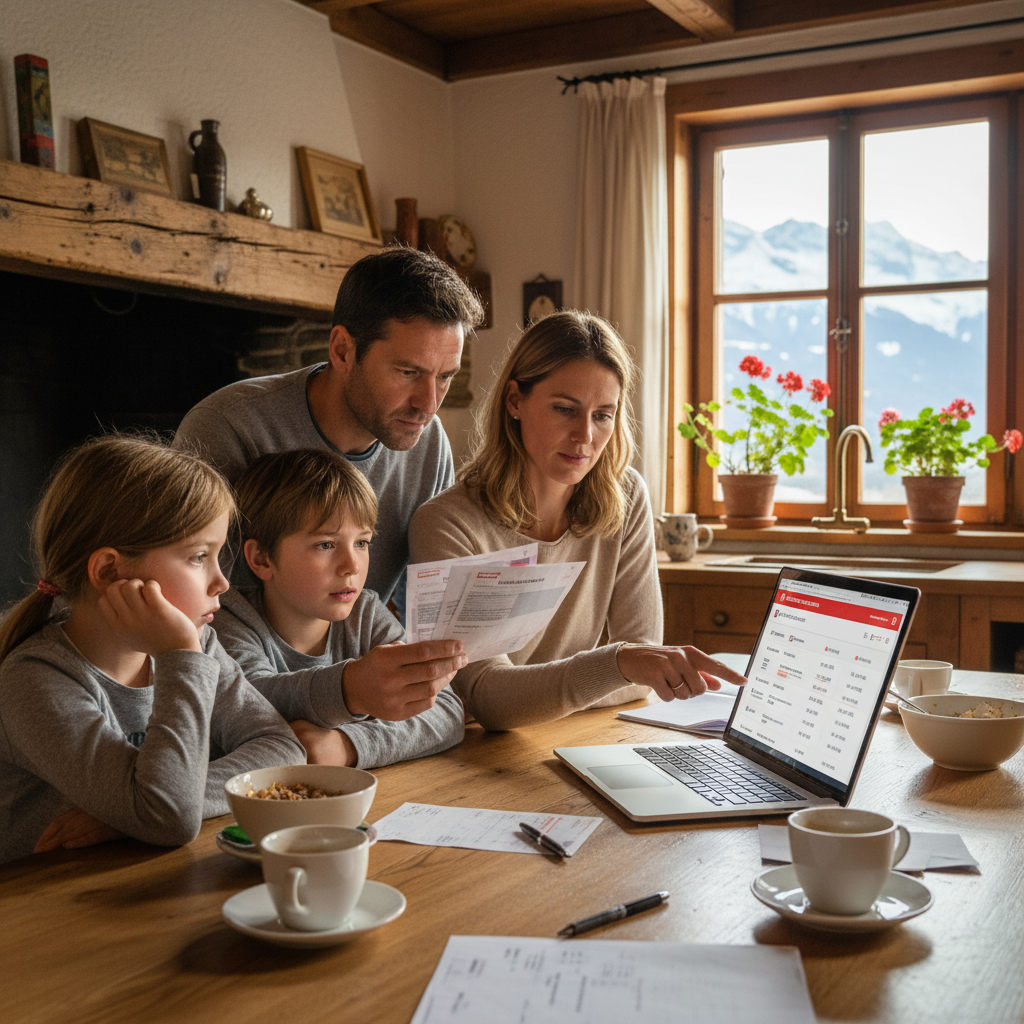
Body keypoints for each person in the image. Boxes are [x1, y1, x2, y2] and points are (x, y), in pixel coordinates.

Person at [408, 311, 747, 731]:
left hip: (580, 736)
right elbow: (489, 698)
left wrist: (601, 675)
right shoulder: (446, 525)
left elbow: (642, 675)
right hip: (479, 757)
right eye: (565, 410)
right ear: (514, 401)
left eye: (603, 414)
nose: (585, 435)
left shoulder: (627, 497)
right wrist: (619, 664)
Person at [0, 435, 305, 865]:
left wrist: (138, 811)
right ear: (110, 570)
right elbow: (168, 817)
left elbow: (282, 749)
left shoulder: (196, 647)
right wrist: (153, 808)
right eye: (199, 556)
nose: (222, 583)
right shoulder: (35, 680)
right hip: (43, 912)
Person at [173, 246, 485, 624]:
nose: (429, 404)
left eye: (445, 376)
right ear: (342, 350)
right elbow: (188, 615)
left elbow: (427, 606)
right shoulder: (227, 428)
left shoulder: (429, 443)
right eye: (407, 372)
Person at [212, 448, 465, 768]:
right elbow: (246, 701)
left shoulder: (366, 614)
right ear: (262, 559)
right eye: (326, 544)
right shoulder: (227, 620)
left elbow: (446, 710)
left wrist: (347, 746)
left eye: (362, 542)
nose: (352, 566)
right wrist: (351, 691)